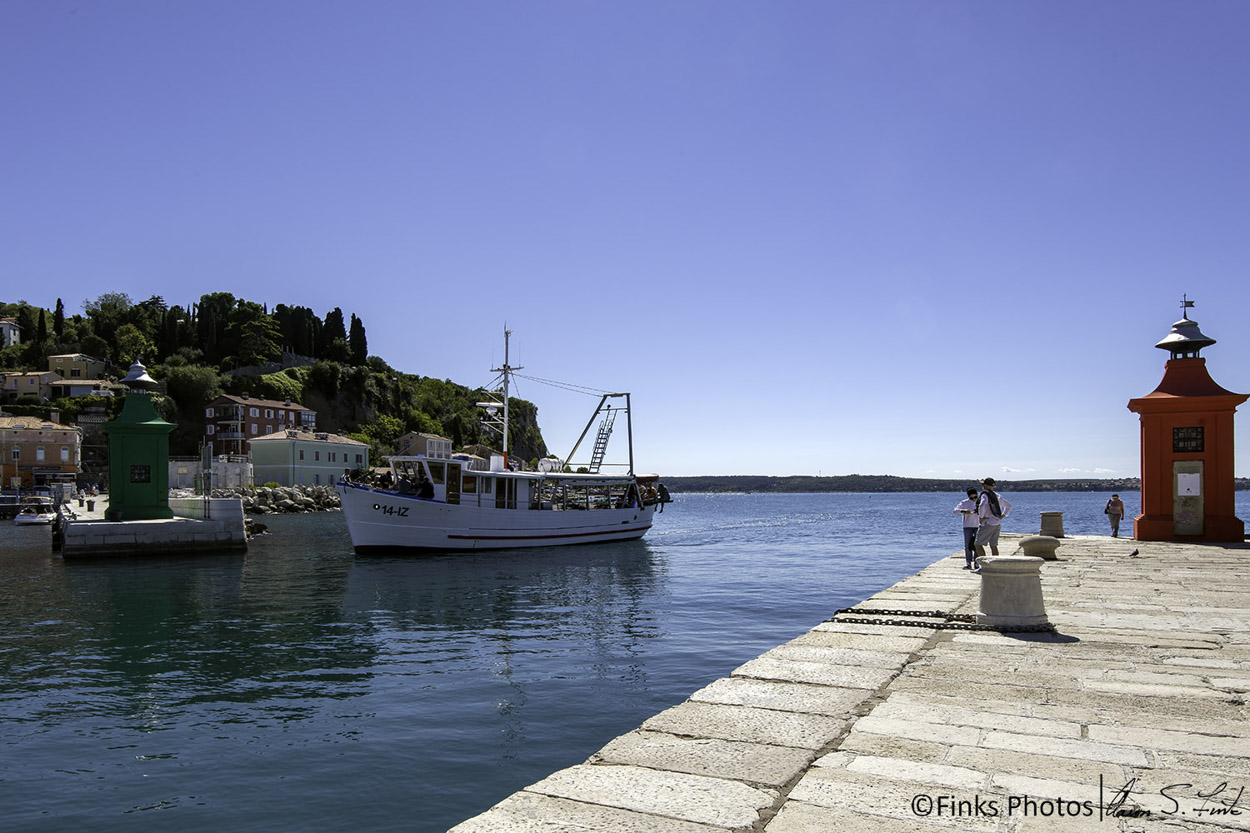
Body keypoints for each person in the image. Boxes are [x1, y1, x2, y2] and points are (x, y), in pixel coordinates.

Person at [973, 477, 1013, 566]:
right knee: (993, 545)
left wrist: (981, 517)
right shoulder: (998, 496)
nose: (982, 486)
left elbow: (982, 506)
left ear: (986, 486)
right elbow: (1009, 506)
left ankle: (984, 566)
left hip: (988, 523)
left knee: (978, 544)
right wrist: (1002, 516)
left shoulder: (985, 495)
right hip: (997, 523)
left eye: (983, 484)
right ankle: (996, 565)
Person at [954, 487, 980, 570]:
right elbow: (955, 511)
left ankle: (977, 563)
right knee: (967, 545)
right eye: (971, 498)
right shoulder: (964, 502)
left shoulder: (981, 502)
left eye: (975, 497)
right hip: (967, 526)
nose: (973, 499)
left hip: (978, 525)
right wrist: (963, 510)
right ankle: (968, 562)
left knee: (977, 545)